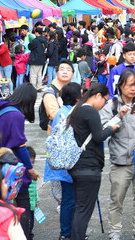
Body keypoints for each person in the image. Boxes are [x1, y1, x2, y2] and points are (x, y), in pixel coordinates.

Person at [68, 83, 119, 240]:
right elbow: (98, 136)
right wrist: (111, 128)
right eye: (105, 100)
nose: (104, 104)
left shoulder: (77, 109)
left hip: (77, 166)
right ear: (98, 96)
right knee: (83, 211)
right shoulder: (90, 111)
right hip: (89, 167)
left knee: (79, 208)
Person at [0, 83, 39, 238]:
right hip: (10, 166)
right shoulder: (15, 114)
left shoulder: (2, 108)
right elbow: (20, 145)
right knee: (24, 203)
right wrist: (30, 168)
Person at [100, 70, 135, 240]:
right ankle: (114, 231)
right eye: (129, 85)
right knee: (116, 199)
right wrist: (119, 116)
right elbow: (103, 130)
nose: (133, 89)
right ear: (120, 86)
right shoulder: (111, 105)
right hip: (120, 160)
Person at [43, 82, 81, 240]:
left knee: (69, 199)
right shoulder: (68, 114)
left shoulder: (62, 111)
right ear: (76, 98)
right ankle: (66, 232)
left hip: (63, 163)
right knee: (69, 199)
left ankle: (68, 231)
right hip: (69, 164)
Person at [41, 60, 75, 133]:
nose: (65, 72)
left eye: (68, 70)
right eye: (62, 69)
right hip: (57, 133)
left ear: (73, 75)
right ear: (57, 73)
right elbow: (54, 115)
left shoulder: (75, 90)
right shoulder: (50, 93)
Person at [27, 27, 47, 91]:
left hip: (34, 59)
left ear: (37, 33)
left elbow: (30, 47)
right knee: (39, 74)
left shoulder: (35, 41)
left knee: (33, 75)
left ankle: (33, 88)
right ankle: (39, 87)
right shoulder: (44, 40)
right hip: (41, 59)